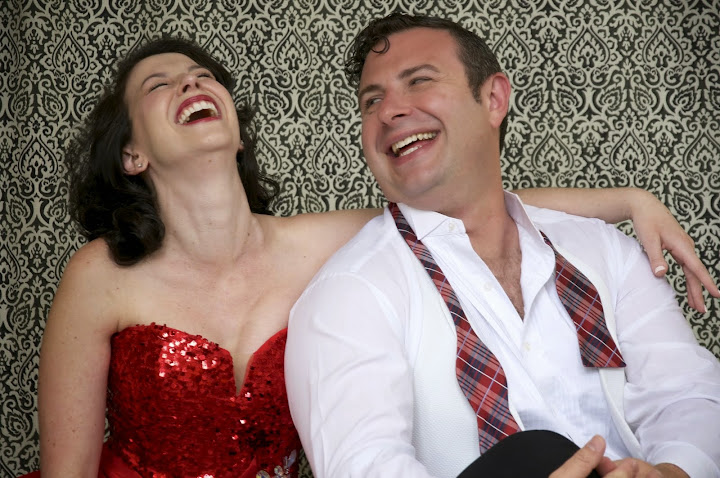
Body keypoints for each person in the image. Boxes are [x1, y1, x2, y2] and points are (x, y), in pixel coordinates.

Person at [29, 34, 715, 478]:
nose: (190, 83)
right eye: (160, 84)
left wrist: (628, 200)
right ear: (131, 153)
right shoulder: (100, 276)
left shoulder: (318, 243)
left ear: (237, 132)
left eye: (203, 75)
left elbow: (466, 204)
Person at [285, 13, 720, 478]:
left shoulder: (607, 251)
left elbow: (689, 395)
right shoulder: (347, 294)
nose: (388, 111)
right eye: (372, 101)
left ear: (493, 99)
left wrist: (674, 472)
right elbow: (364, 465)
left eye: (419, 81)